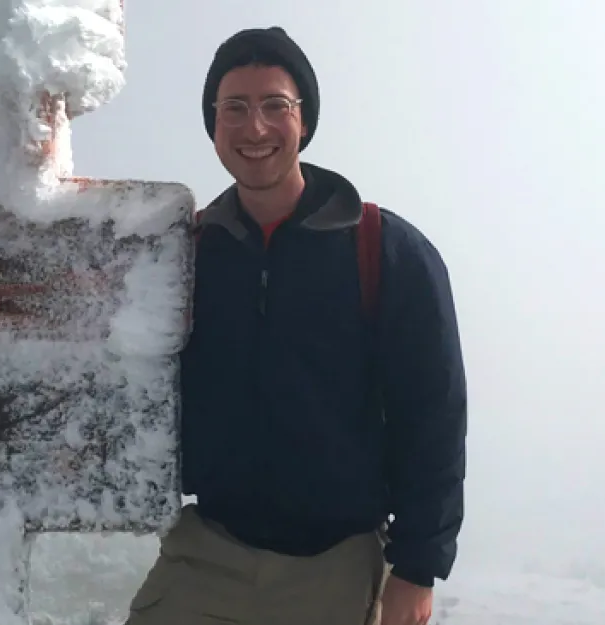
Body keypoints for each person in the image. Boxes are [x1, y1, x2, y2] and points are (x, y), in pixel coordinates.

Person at [123, 26, 469, 625]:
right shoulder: (189, 253)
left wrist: (418, 568)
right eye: (234, 107)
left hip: (335, 564)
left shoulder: (385, 250)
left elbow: (433, 413)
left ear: (303, 121)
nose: (255, 128)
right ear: (213, 125)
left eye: (275, 105)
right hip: (205, 552)